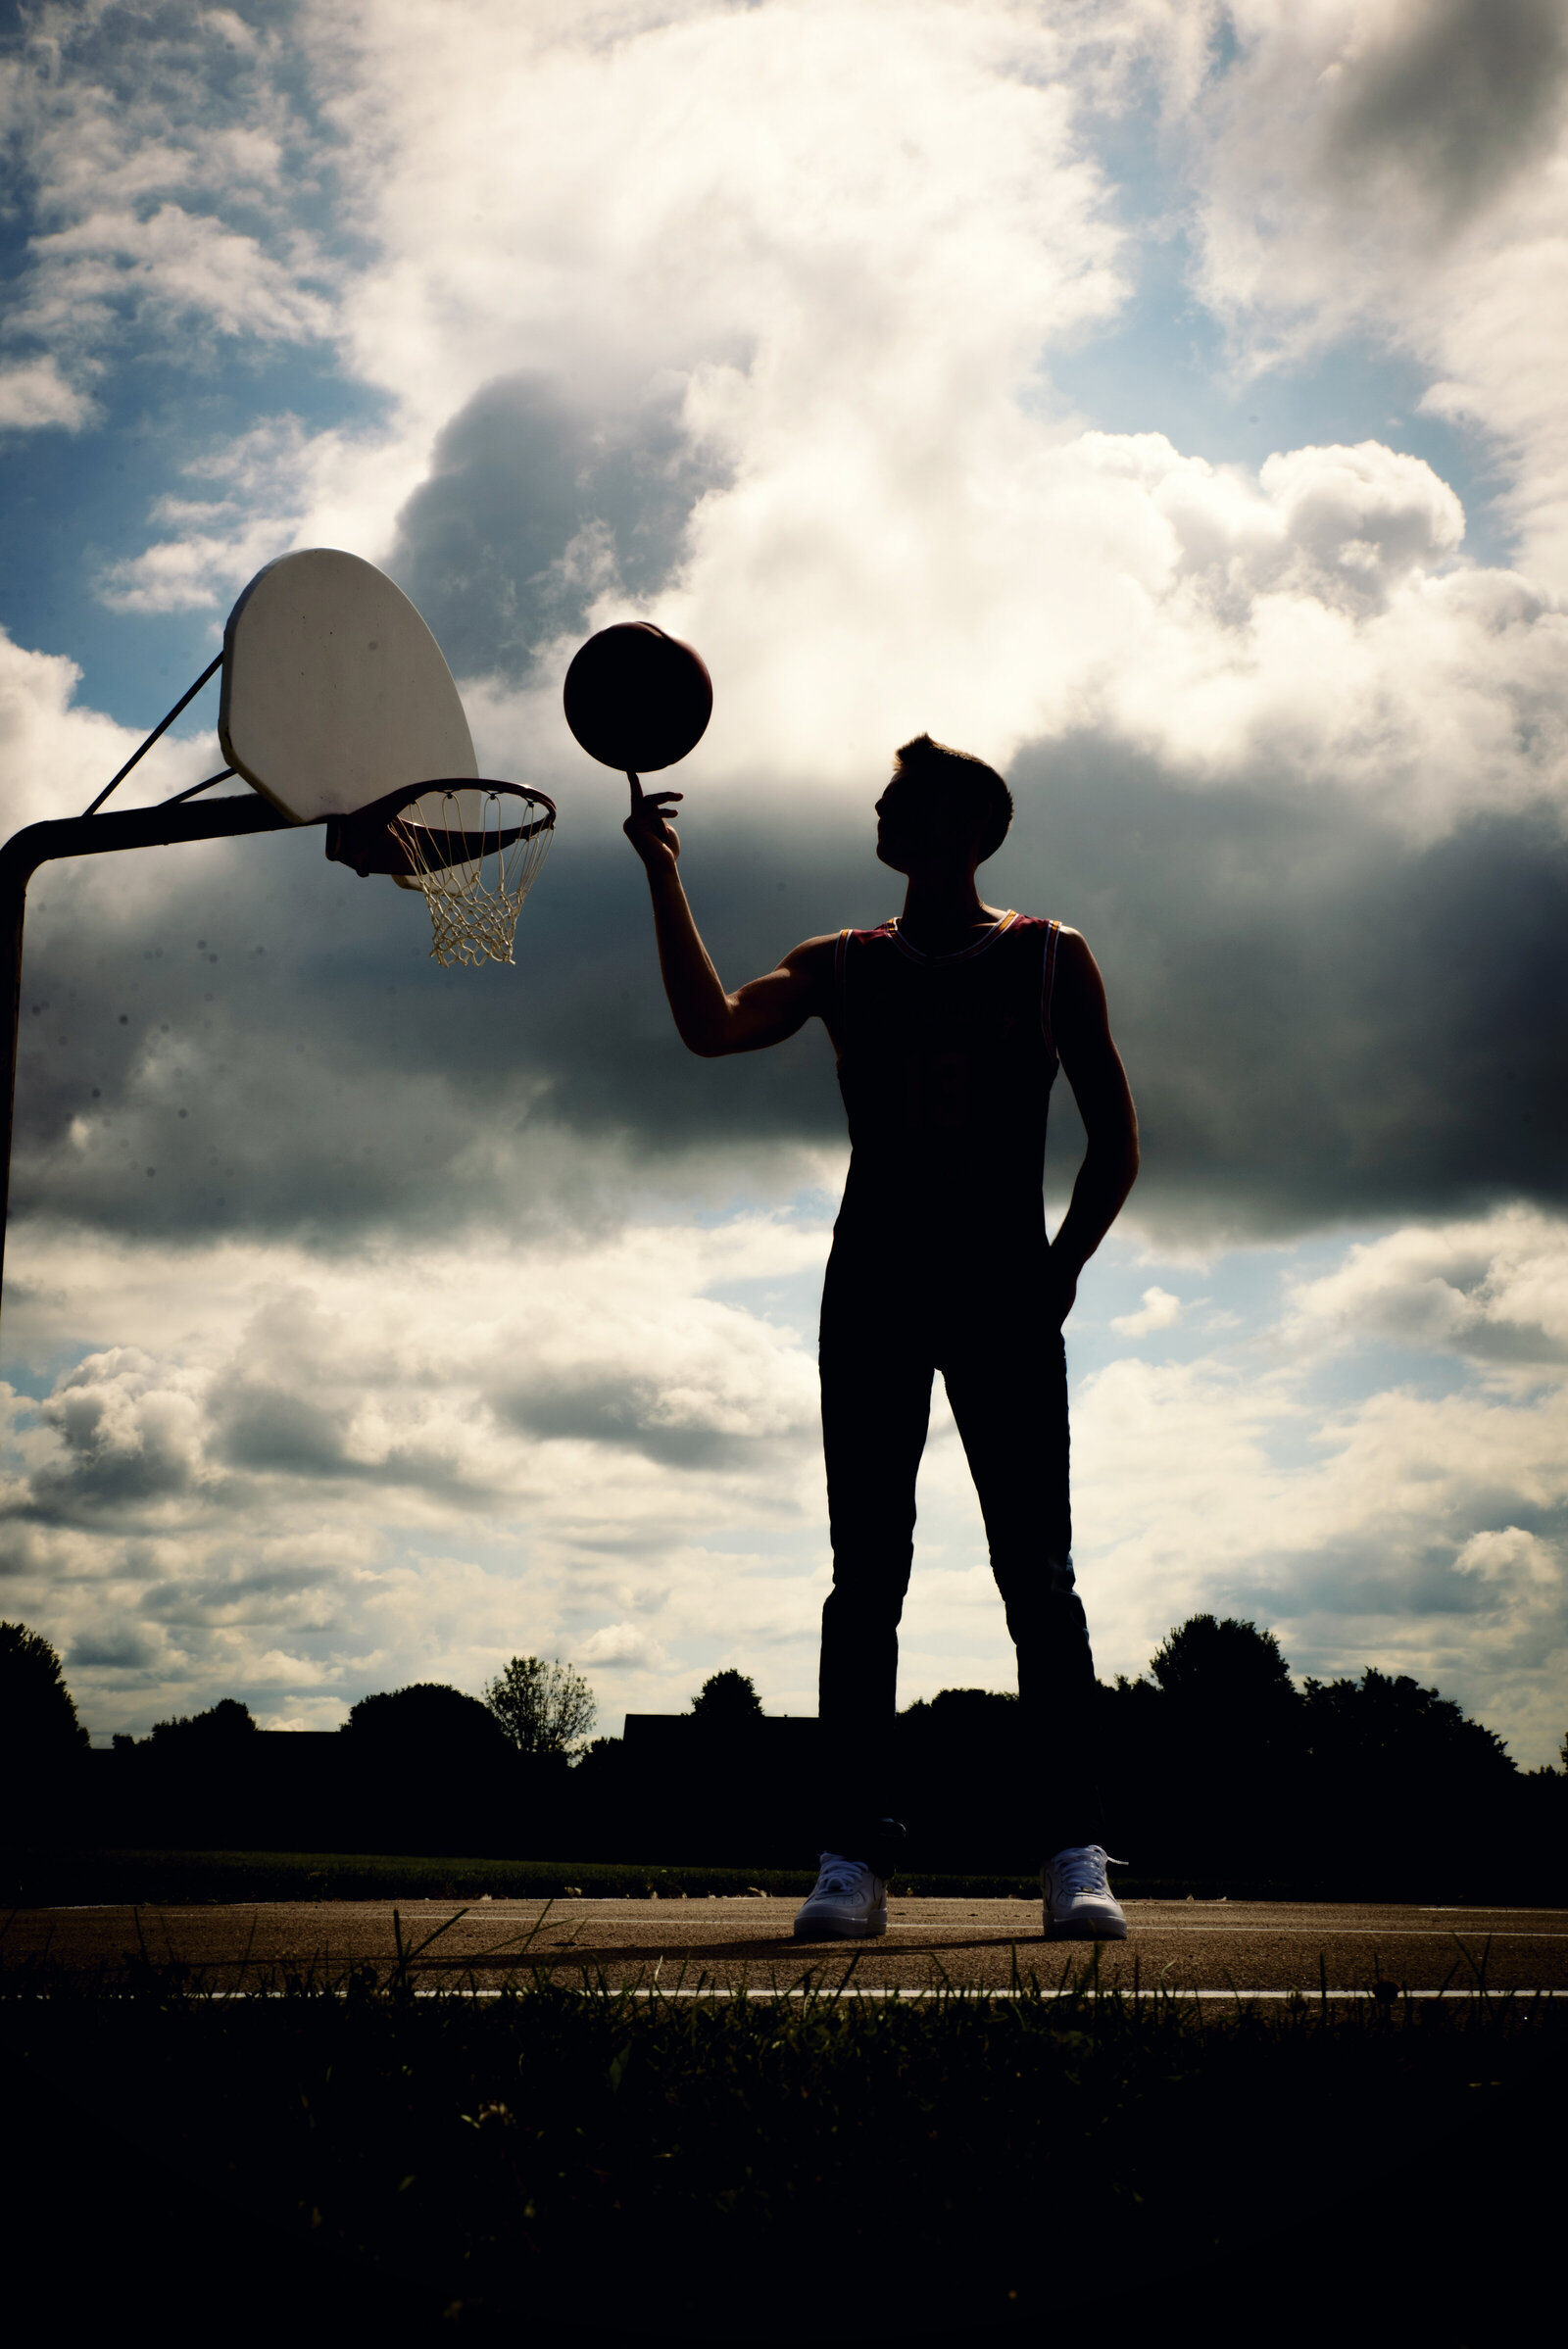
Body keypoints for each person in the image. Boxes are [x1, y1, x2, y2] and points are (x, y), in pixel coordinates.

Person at [623, 733, 1139, 1940]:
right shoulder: (844, 964)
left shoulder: (1052, 959)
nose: (877, 807)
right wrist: (661, 873)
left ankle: (1072, 1851)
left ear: (967, 829)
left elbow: (1115, 1140)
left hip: (1003, 1292)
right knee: (866, 1582)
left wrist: (1057, 1274)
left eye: (901, 800)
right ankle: (850, 1859)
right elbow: (712, 1028)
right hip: (873, 1295)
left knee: (1039, 1579)